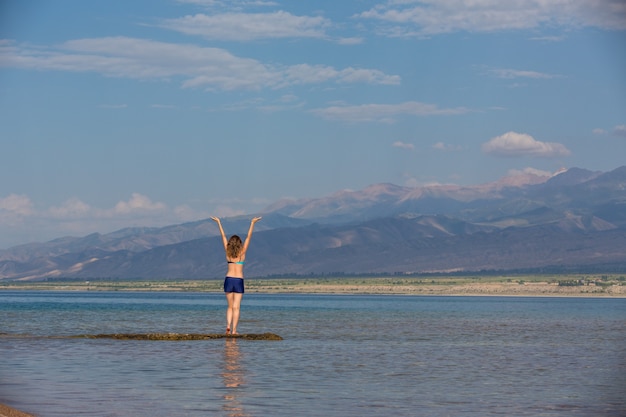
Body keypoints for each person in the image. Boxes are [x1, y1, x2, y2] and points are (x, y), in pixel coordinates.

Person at [211, 216, 262, 335]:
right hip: (238, 280)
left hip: (229, 279)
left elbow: (223, 237)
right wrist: (252, 223)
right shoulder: (242, 252)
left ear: (230, 243)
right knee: (236, 307)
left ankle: (228, 327)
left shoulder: (227, 252)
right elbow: (249, 237)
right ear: (240, 243)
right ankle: (234, 330)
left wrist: (219, 223)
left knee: (229, 306)